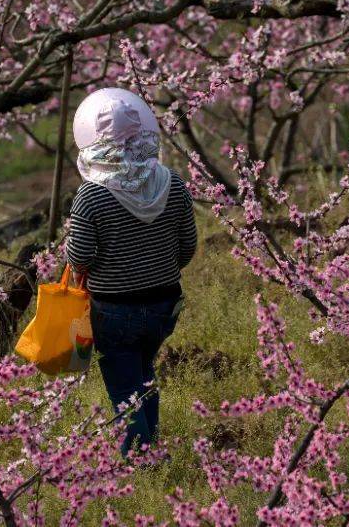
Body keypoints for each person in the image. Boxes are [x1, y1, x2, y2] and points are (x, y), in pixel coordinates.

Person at [65, 87, 197, 455]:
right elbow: (187, 248)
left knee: (125, 385)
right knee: (144, 373)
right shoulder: (175, 185)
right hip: (164, 304)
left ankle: (141, 455)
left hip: (114, 309)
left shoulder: (91, 195)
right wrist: (158, 269)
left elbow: (81, 257)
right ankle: (150, 445)